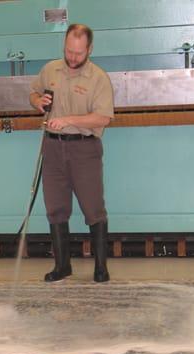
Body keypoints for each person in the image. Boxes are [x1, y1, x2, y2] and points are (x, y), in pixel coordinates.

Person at [29, 23, 114, 283]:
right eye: (68, 51)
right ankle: (62, 265)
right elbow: (33, 93)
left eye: (78, 53)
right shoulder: (50, 69)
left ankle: (101, 268)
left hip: (83, 149)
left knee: (93, 208)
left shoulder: (98, 78)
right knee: (55, 207)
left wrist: (67, 120)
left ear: (89, 49)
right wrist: (38, 101)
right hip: (52, 148)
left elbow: (103, 118)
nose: (72, 57)